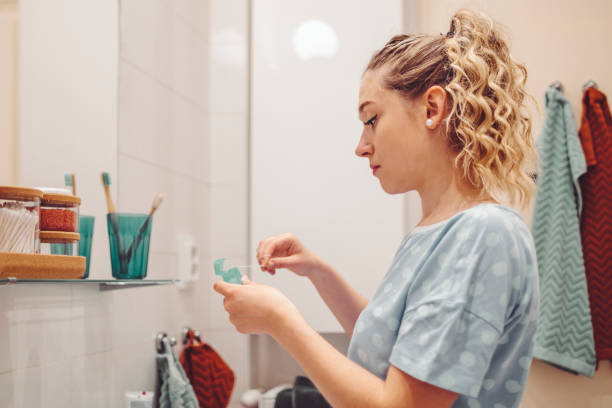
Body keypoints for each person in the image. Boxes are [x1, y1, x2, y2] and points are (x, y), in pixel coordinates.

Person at [214, 9, 539, 408]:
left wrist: (282, 322)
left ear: (432, 109)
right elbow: (395, 348)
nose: (361, 145)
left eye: (371, 119)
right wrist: (319, 272)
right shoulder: (438, 230)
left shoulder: (483, 235)